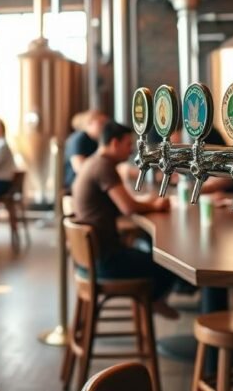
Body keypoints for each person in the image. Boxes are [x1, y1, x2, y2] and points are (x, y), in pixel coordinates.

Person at [71, 121, 178, 318]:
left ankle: (152, 300)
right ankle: (153, 299)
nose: (130, 151)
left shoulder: (92, 163)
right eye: (128, 144)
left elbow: (122, 202)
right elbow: (127, 207)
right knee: (168, 263)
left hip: (89, 260)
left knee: (149, 249)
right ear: (114, 143)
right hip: (106, 261)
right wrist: (154, 205)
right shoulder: (104, 167)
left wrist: (142, 202)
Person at [64, 110, 106, 189]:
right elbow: (79, 167)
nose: (104, 127)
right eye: (101, 123)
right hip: (73, 188)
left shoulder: (97, 142)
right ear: (90, 123)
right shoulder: (79, 138)